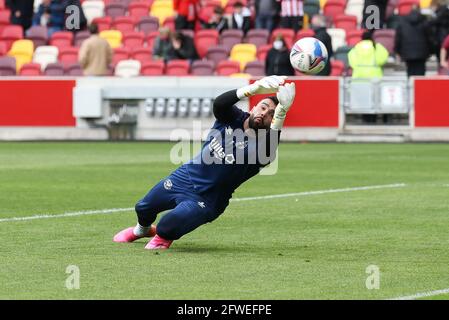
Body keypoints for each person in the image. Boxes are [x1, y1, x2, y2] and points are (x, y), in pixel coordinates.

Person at [113, 76, 296, 250]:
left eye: (271, 114)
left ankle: (162, 236)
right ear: (254, 107)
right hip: (185, 177)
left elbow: (269, 152)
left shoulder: (262, 144)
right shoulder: (233, 117)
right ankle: (142, 230)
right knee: (143, 207)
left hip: (207, 199)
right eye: (263, 107)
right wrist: (252, 89)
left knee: (166, 227)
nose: (264, 113)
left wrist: (281, 114)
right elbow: (219, 104)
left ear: (273, 122)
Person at [394, 7, 431, 77]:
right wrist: (431, 51)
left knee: (410, 71)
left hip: (407, 52)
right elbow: (430, 37)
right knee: (421, 73)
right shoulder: (425, 21)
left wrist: (397, 51)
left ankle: (411, 86)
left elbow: (398, 38)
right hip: (422, 52)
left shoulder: (403, 22)